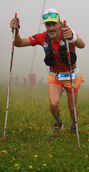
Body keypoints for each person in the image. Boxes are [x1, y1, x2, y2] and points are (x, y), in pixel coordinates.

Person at [10, 8, 85, 136]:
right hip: (55, 74)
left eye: (53, 24)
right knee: (53, 104)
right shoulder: (42, 37)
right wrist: (16, 30)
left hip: (71, 74)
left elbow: (82, 45)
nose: (51, 28)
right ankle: (59, 122)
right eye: (48, 25)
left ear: (59, 23)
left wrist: (73, 37)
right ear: (45, 25)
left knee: (72, 107)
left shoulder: (68, 33)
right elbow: (19, 43)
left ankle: (73, 123)